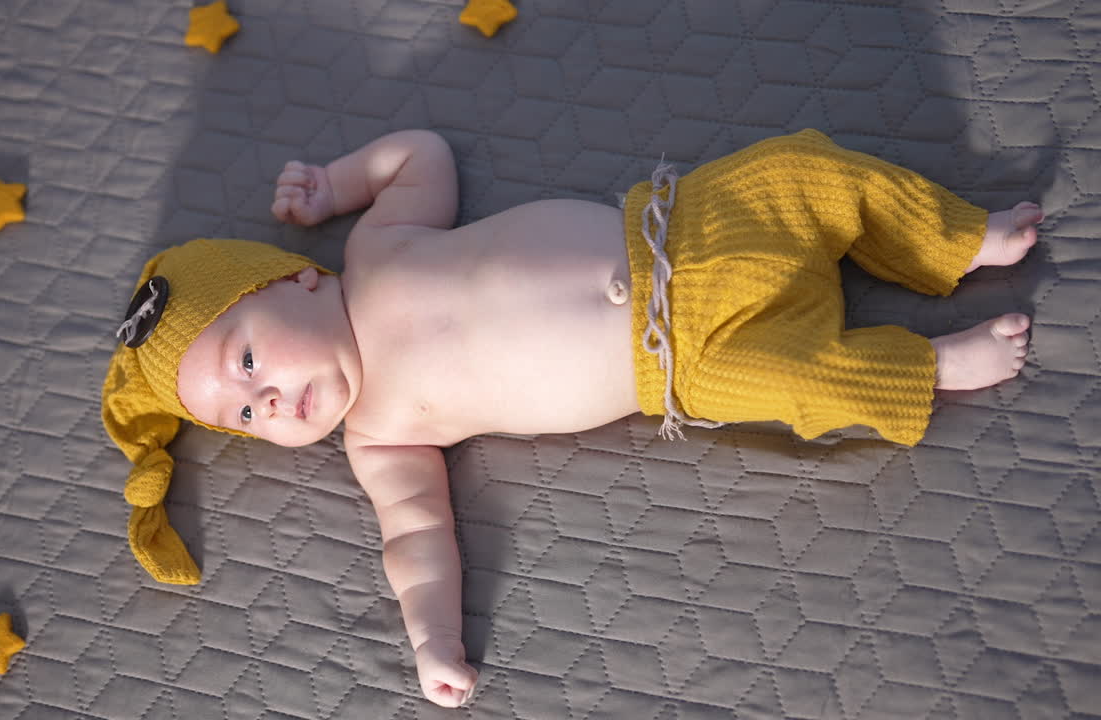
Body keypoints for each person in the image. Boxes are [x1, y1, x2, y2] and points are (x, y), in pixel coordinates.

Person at [102, 128, 1040, 707]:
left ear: (293, 279)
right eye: (244, 416)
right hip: (677, 362)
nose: (266, 402)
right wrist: (432, 637)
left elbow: (420, 154)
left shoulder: (378, 246)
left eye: (249, 361)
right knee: (803, 386)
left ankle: (954, 239)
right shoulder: (380, 434)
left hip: (678, 226)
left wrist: (335, 184)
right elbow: (416, 536)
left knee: (809, 170)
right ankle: (933, 367)